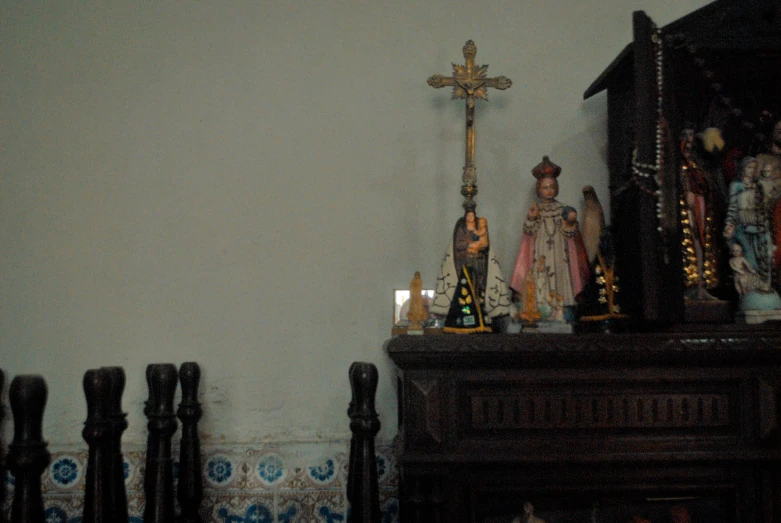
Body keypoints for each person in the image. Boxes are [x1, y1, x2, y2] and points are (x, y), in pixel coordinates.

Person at [509, 156, 589, 323]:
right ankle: (541, 308)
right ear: (539, 189)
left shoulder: (563, 209)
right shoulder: (535, 209)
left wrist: (570, 222)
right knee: (540, 281)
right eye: (545, 187)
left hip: (560, 254)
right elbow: (528, 232)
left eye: (552, 187)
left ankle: (562, 308)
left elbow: (571, 233)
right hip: (541, 253)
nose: (549, 190)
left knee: (561, 277)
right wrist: (531, 218)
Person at [430, 206, 511, 332]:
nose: (470, 218)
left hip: (478, 264)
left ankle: (481, 315)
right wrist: (469, 244)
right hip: (464, 264)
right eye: (468, 216)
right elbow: (458, 245)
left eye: (472, 216)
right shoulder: (461, 228)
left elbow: (485, 245)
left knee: (479, 290)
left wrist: (478, 245)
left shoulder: (481, 229)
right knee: (463, 291)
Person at [724, 156, 772, 283]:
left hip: (759, 226)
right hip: (743, 227)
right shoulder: (736, 185)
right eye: (749, 167)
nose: (752, 170)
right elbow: (733, 207)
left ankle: (764, 287)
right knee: (749, 261)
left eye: (754, 168)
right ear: (743, 169)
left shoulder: (759, 185)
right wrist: (730, 223)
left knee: (765, 257)